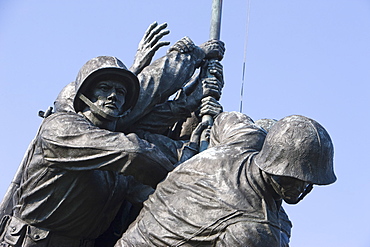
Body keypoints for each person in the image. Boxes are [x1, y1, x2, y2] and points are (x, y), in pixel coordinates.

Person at [115, 111, 336, 247]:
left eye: (309, 180)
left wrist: (208, 152)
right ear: (274, 165)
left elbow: (223, 119)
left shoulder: (246, 136)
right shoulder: (257, 230)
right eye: (295, 178)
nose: (303, 186)